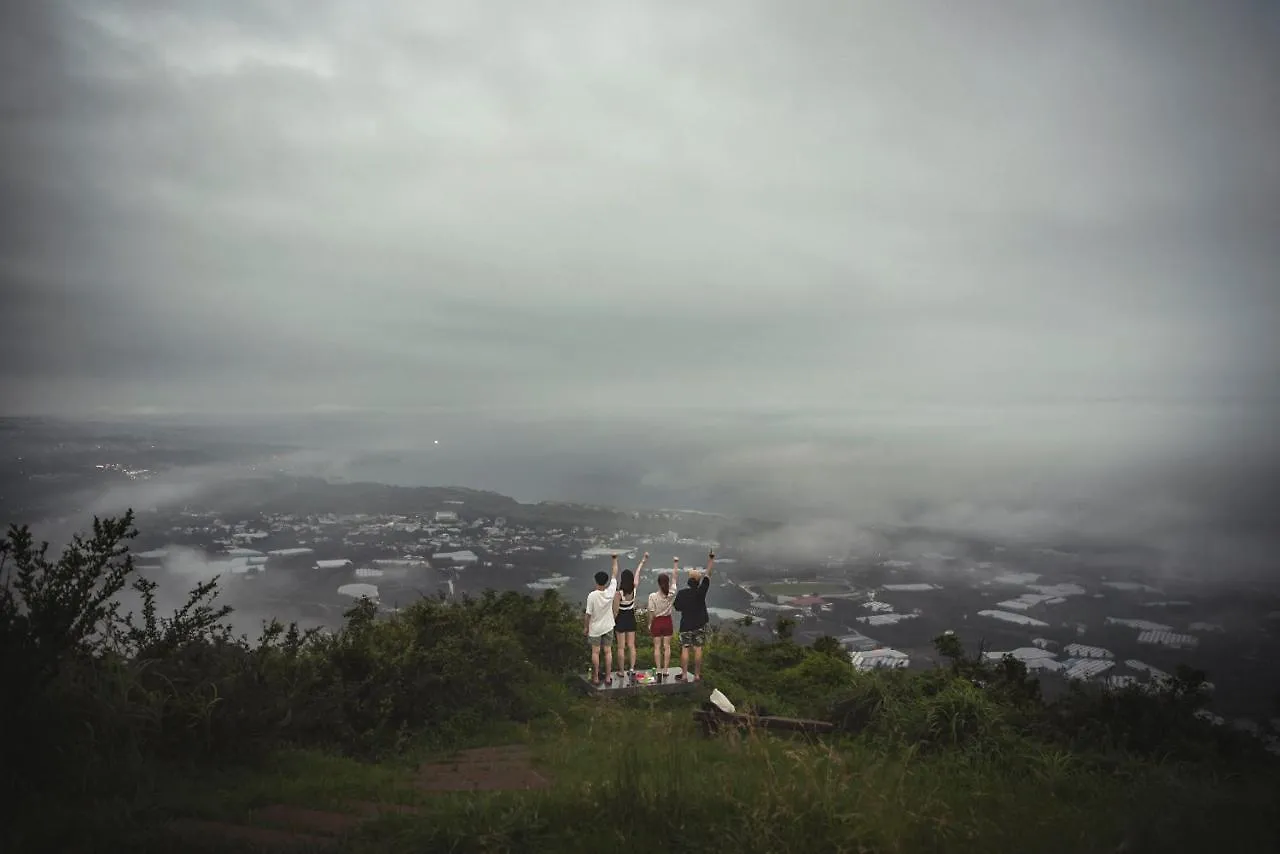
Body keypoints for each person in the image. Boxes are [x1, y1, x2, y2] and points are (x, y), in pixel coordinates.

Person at [673, 550, 715, 682]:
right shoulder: (701, 591)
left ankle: (684, 675)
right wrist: (711, 560)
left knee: (685, 649)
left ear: (689, 581)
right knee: (698, 649)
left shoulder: (682, 593)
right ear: (698, 581)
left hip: (686, 625)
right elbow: (708, 575)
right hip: (699, 624)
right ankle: (696, 675)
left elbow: (677, 607)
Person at [583, 553, 620, 686]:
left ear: (596, 581)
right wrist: (615, 560)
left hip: (595, 628)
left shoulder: (592, 596)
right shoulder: (610, 592)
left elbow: (588, 614)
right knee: (608, 651)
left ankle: (596, 677)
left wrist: (586, 627)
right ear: (606, 581)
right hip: (609, 626)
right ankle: (609, 677)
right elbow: (615, 574)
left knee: (595, 652)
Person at [613, 552, 649, 683]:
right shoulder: (634, 589)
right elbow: (638, 573)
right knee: (632, 646)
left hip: (621, 619)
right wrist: (642, 562)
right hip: (631, 618)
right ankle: (632, 669)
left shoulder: (619, 594)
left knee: (621, 647)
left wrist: (613, 620)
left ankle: (621, 671)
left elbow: (615, 611)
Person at [646, 562, 677, 683]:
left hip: (657, 622)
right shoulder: (671, 593)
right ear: (667, 582)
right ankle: (665, 670)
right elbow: (675, 578)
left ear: (658, 583)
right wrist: (675, 564)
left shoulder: (652, 596)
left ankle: (658, 670)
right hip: (667, 621)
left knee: (657, 647)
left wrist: (650, 624)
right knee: (667, 646)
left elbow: (651, 612)